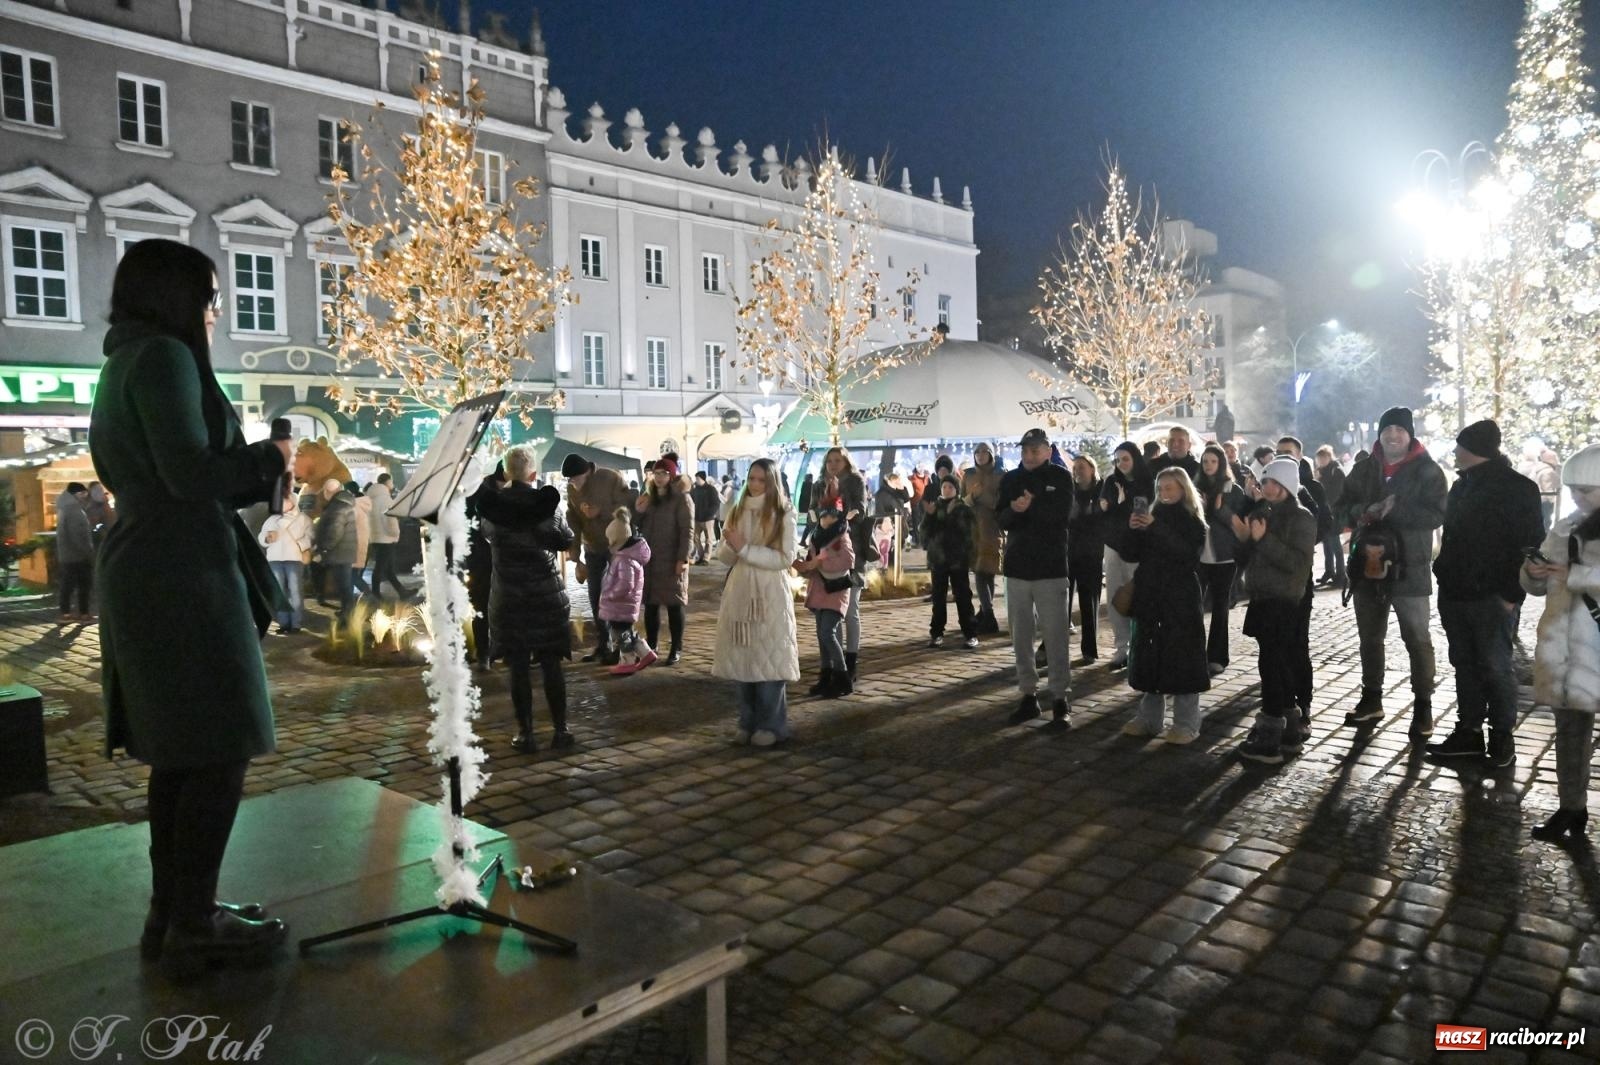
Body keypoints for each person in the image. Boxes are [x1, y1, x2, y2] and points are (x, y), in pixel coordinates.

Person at [90, 237, 290, 971]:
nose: (214, 312)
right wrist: (270, 459)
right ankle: (193, 924)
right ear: (175, 296)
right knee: (217, 745)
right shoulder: (164, 358)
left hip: (154, 562)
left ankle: (175, 913)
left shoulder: (126, 358)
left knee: (181, 753)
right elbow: (190, 472)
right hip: (180, 571)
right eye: (208, 297)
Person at [1427, 419, 1545, 767]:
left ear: (1473, 450)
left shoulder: (1518, 488)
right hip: (1456, 591)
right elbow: (1452, 536)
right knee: (1464, 665)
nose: (1454, 452)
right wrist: (1444, 572)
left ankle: (1501, 738)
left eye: (1459, 446)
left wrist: (1511, 594)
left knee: (1495, 666)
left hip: (1493, 595)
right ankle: (1469, 732)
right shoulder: (1461, 485)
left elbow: (1529, 542)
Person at [1338, 407, 1446, 737]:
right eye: (1387, 430)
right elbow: (1340, 508)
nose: (1393, 435)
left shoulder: (1427, 470)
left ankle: (1423, 707)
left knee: (1417, 638)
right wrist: (1364, 511)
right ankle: (1371, 699)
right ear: (1380, 434)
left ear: (1410, 434)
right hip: (1368, 567)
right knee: (1370, 638)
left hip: (1410, 568)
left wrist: (1396, 510)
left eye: (1400, 429)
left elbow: (1437, 514)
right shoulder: (1364, 468)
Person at [472, 447, 577, 752]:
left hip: (509, 597)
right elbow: (565, 539)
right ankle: (560, 730)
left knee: (517, 667)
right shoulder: (548, 506)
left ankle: (526, 733)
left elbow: (487, 535)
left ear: (506, 472)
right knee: (551, 664)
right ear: (533, 474)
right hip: (546, 596)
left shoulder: (493, 509)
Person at [1522, 443, 1600, 843]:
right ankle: (1571, 807)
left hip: (1594, 648)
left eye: (1587, 490)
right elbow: (1537, 585)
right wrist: (1533, 572)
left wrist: (1577, 575)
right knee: (1570, 731)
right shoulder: (1565, 526)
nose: (1577, 497)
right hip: (1567, 651)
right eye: (1573, 489)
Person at [1237, 459, 1319, 764]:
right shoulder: (1264, 512)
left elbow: (1297, 563)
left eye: (1274, 482)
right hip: (1262, 597)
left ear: (1287, 485)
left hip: (1283, 601)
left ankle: (1270, 736)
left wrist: (1264, 539)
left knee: (1273, 666)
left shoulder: (1302, 517)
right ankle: (1289, 732)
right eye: (1265, 482)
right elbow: (1247, 556)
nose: (1268, 488)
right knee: (1275, 664)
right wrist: (1246, 536)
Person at [713, 458, 799, 746]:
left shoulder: (783, 512)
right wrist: (728, 545)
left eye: (761, 480)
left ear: (772, 482)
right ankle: (747, 721)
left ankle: (772, 725)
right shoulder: (737, 509)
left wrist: (745, 549)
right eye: (751, 478)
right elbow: (726, 557)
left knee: (770, 659)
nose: (755, 484)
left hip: (769, 594)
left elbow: (785, 558)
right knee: (742, 657)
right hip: (740, 591)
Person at [1121, 467, 1209, 743]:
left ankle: (1186, 722)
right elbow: (1131, 554)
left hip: (1180, 597)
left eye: (1169, 488)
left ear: (1183, 489)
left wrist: (1155, 528)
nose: (1164, 493)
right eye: (1160, 489)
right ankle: (1149, 718)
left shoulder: (1192, 521)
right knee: (1150, 653)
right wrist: (1133, 530)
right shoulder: (1152, 517)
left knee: (1183, 655)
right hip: (1150, 594)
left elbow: (1187, 555)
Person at [997, 428, 1075, 725]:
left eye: (1035, 450)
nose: (1029, 455)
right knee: (1021, 637)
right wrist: (1014, 510)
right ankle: (1028, 694)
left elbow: (1061, 516)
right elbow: (1001, 518)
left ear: (1047, 451)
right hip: (1017, 568)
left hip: (1050, 568)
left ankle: (1060, 697)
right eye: (1025, 450)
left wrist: (1032, 506)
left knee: (1055, 636)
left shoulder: (1060, 477)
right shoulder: (1011, 479)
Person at [563, 454, 635, 665]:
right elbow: (573, 518)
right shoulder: (572, 489)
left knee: (618, 596)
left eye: (575, 478)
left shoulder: (609, 478)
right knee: (596, 596)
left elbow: (627, 506)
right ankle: (604, 644)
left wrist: (600, 511)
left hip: (616, 547)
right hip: (592, 547)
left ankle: (624, 647)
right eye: (569, 480)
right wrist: (574, 550)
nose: (572, 483)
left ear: (586, 472)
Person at [1100, 441, 1155, 670]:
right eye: (1117, 459)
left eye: (1125, 459)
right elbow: (1103, 511)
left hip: (1139, 547)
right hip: (1114, 545)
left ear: (1135, 459)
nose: (1121, 463)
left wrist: (1125, 509)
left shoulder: (1147, 482)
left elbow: (1147, 513)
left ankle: (1140, 646)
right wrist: (1117, 505)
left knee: (1138, 595)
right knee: (1115, 595)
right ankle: (1122, 647)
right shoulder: (1111, 482)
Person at [635, 453, 693, 666]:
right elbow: (637, 525)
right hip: (650, 560)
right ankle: (651, 646)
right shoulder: (649, 497)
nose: (659, 477)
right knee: (650, 605)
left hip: (671, 559)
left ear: (672, 476)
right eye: (656, 473)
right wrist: (639, 511)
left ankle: (676, 647)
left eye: (664, 473)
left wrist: (682, 558)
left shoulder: (681, 499)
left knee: (674, 604)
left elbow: (687, 530)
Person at [797, 497, 855, 697]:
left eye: (831, 516)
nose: (826, 519)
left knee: (827, 633)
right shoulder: (816, 536)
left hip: (835, 590)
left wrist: (822, 562)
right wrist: (804, 567)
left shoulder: (841, 536)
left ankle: (842, 677)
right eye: (823, 515)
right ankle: (825, 676)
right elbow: (812, 562)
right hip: (819, 590)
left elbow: (848, 560)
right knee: (822, 636)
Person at [1197, 445, 1247, 674]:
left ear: (1221, 464)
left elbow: (1239, 524)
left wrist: (1219, 509)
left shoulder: (1232, 490)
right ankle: (1195, 653)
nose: (1208, 465)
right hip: (1200, 556)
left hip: (1224, 557)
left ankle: (1217, 657)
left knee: (1220, 608)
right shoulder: (1195, 488)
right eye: (1205, 461)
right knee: (1194, 606)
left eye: (1213, 461)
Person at [823, 447, 871, 683]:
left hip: (851, 551)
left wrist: (846, 518)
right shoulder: (822, 483)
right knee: (834, 611)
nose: (833, 464)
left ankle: (851, 661)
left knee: (850, 610)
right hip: (827, 553)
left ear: (845, 461)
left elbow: (861, 510)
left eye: (837, 460)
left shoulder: (854, 481)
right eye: (829, 461)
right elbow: (813, 510)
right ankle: (837, 661)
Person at [921, 474, 979, 650]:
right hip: (938, 559)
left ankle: (970, 633)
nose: (947, 490)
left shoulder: (963, 509)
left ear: (957, 490)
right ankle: (937, 633)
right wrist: (930, 516)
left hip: (957, 559)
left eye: (950, 487)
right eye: (944, 487)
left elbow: (968, 533)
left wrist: (950, 515)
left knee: (963, 596)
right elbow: (925, 534)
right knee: (938, 598)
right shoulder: (934, 507)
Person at [258, 487, 314, 635]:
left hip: (294, 558)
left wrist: (299, 544)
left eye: (286, 500)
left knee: (295, 591)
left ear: (293, 501)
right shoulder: (272, 519)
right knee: (280, 592)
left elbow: (310, 537)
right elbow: (262, 536)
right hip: (275, 559)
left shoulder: (303, 519)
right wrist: (267, 539)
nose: (282, 503)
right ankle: (283, 623)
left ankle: (295, 623)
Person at [464, 461, 504, 668]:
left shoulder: (460, 497)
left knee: (480, 606)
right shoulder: (490, 495)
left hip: (474, 559)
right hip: (491, 558)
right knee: (491, 605)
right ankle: (490, 652)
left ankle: (484, 654)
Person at [962, 442, 1004, 634]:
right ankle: (985, 611)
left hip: (992, 529)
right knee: (980, 571)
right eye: (977, 452)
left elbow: (1001, 502)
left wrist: (983, 496)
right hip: (973, 529)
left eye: (984, 452)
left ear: (991, 454)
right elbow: (963, 501)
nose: (980, 455)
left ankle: (988, 614)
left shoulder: (1000, 475)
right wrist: (972, 496)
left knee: (986, 572)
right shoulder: (968, 475)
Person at [1067, 454, 1105, 662]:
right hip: (1069, 550)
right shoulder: (1070, 490)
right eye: (1075, 468)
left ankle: (1089, 649)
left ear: (1092, 468)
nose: (1077, 471)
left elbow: (1102, 516)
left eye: (1081, 467)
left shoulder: (1100, 489)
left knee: (1088, 602)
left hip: (1091, 552)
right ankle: (1053, 645)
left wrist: (1093, 511)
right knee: (1062, 600)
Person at [313, 478, 358, 621]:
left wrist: (324, 549)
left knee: (343, 585)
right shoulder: (344, 504)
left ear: (328, 491)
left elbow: (334, 532)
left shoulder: (337, 507)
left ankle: (347, 615)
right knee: (345, 585)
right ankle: (346, 610)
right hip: (344, 550)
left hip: (339, 552)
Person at [54, 481, 96, 622]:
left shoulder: (64, 507)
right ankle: (83, 613)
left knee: (67, 585)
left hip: (67, 554)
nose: (85, 496)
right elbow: (78, 534)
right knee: (84, 584)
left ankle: (65, 613)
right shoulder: (74, 510)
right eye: (83, 493)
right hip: (78, 555)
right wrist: (88, 552)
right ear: (77, 494)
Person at [366, 472, 405, 599]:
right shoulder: (386, 499)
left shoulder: (371, 498)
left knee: (388, 568)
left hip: (376, 537)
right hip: (386, 538)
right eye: (391, 481)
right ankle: (375, 594)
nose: (392, 484)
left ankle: (402, 591)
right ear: (388, 482)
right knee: (381, 567)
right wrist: (395, 534)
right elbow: (390, 519)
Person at [1314, 445, 1347, 588]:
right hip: (1324, 513)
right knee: (1327, 544)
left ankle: (1341, 574)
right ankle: (1329, 572)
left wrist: (1320, 481)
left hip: (1334, 513)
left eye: (1323, 458)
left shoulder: (1336, 471)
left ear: (1329, 457)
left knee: (1335, 544)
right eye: (1319, 458)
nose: (1320, 461)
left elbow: (1336, 493)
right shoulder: (1321, 471)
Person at [690, 471, 721, 565]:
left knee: (708, 539)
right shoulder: (695, 490)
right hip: (697, 518)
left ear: (702, 478)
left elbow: (716, 503)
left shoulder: (711, 489)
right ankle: (701, 555)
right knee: (695, 538)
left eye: (698, 478)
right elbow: (691, 500)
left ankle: (706, 558)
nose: (696, 480)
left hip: (708, 519)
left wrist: (710, 513)